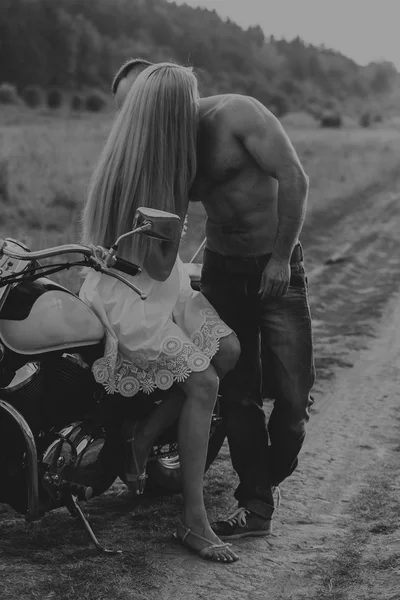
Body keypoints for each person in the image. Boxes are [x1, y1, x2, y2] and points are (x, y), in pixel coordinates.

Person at [112, 59, 315, 541]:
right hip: (223, 271)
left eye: (137, 104)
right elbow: (168, 231)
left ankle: (264, 481)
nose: (135, 118)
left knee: (291, 401)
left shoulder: (237, 115)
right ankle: (256, 505)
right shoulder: (171, 149)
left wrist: (281, 259)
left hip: (277, 268)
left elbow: (295, 180)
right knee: (239, 394)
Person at [80, 63, 241, 563]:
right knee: (205, 383)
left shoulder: (151, 158)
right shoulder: (156, 173)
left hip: (159, 286)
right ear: (173, 116)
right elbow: (155, 260)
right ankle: (194, 521)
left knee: (228, 351)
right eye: (189, 105)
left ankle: (143, 435)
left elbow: (159, 267)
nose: (196, 113)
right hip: (129, 296)